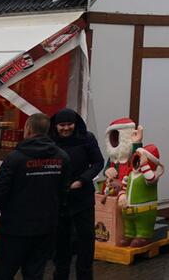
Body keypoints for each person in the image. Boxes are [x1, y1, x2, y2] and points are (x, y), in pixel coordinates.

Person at [0, 113, 70, 280]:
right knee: (35, 274)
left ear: (27, 129)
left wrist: (11, 211)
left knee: (3, 274)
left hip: (14, 229)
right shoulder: (62, 157)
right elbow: (64, 192)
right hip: (45, 228)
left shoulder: (15, 158)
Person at [48, 108, 104, 280]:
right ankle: (60, 275)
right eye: (61, 125)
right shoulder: (50, 141)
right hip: (59, 199)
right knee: (61, 242)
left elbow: (98, 162)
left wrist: (83, 180)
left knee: (86, 240)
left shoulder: (87, 138)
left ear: (76, 124)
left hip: (83, 197)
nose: (65, 128)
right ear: (55, 126)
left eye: (69, 124)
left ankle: (85, 275)